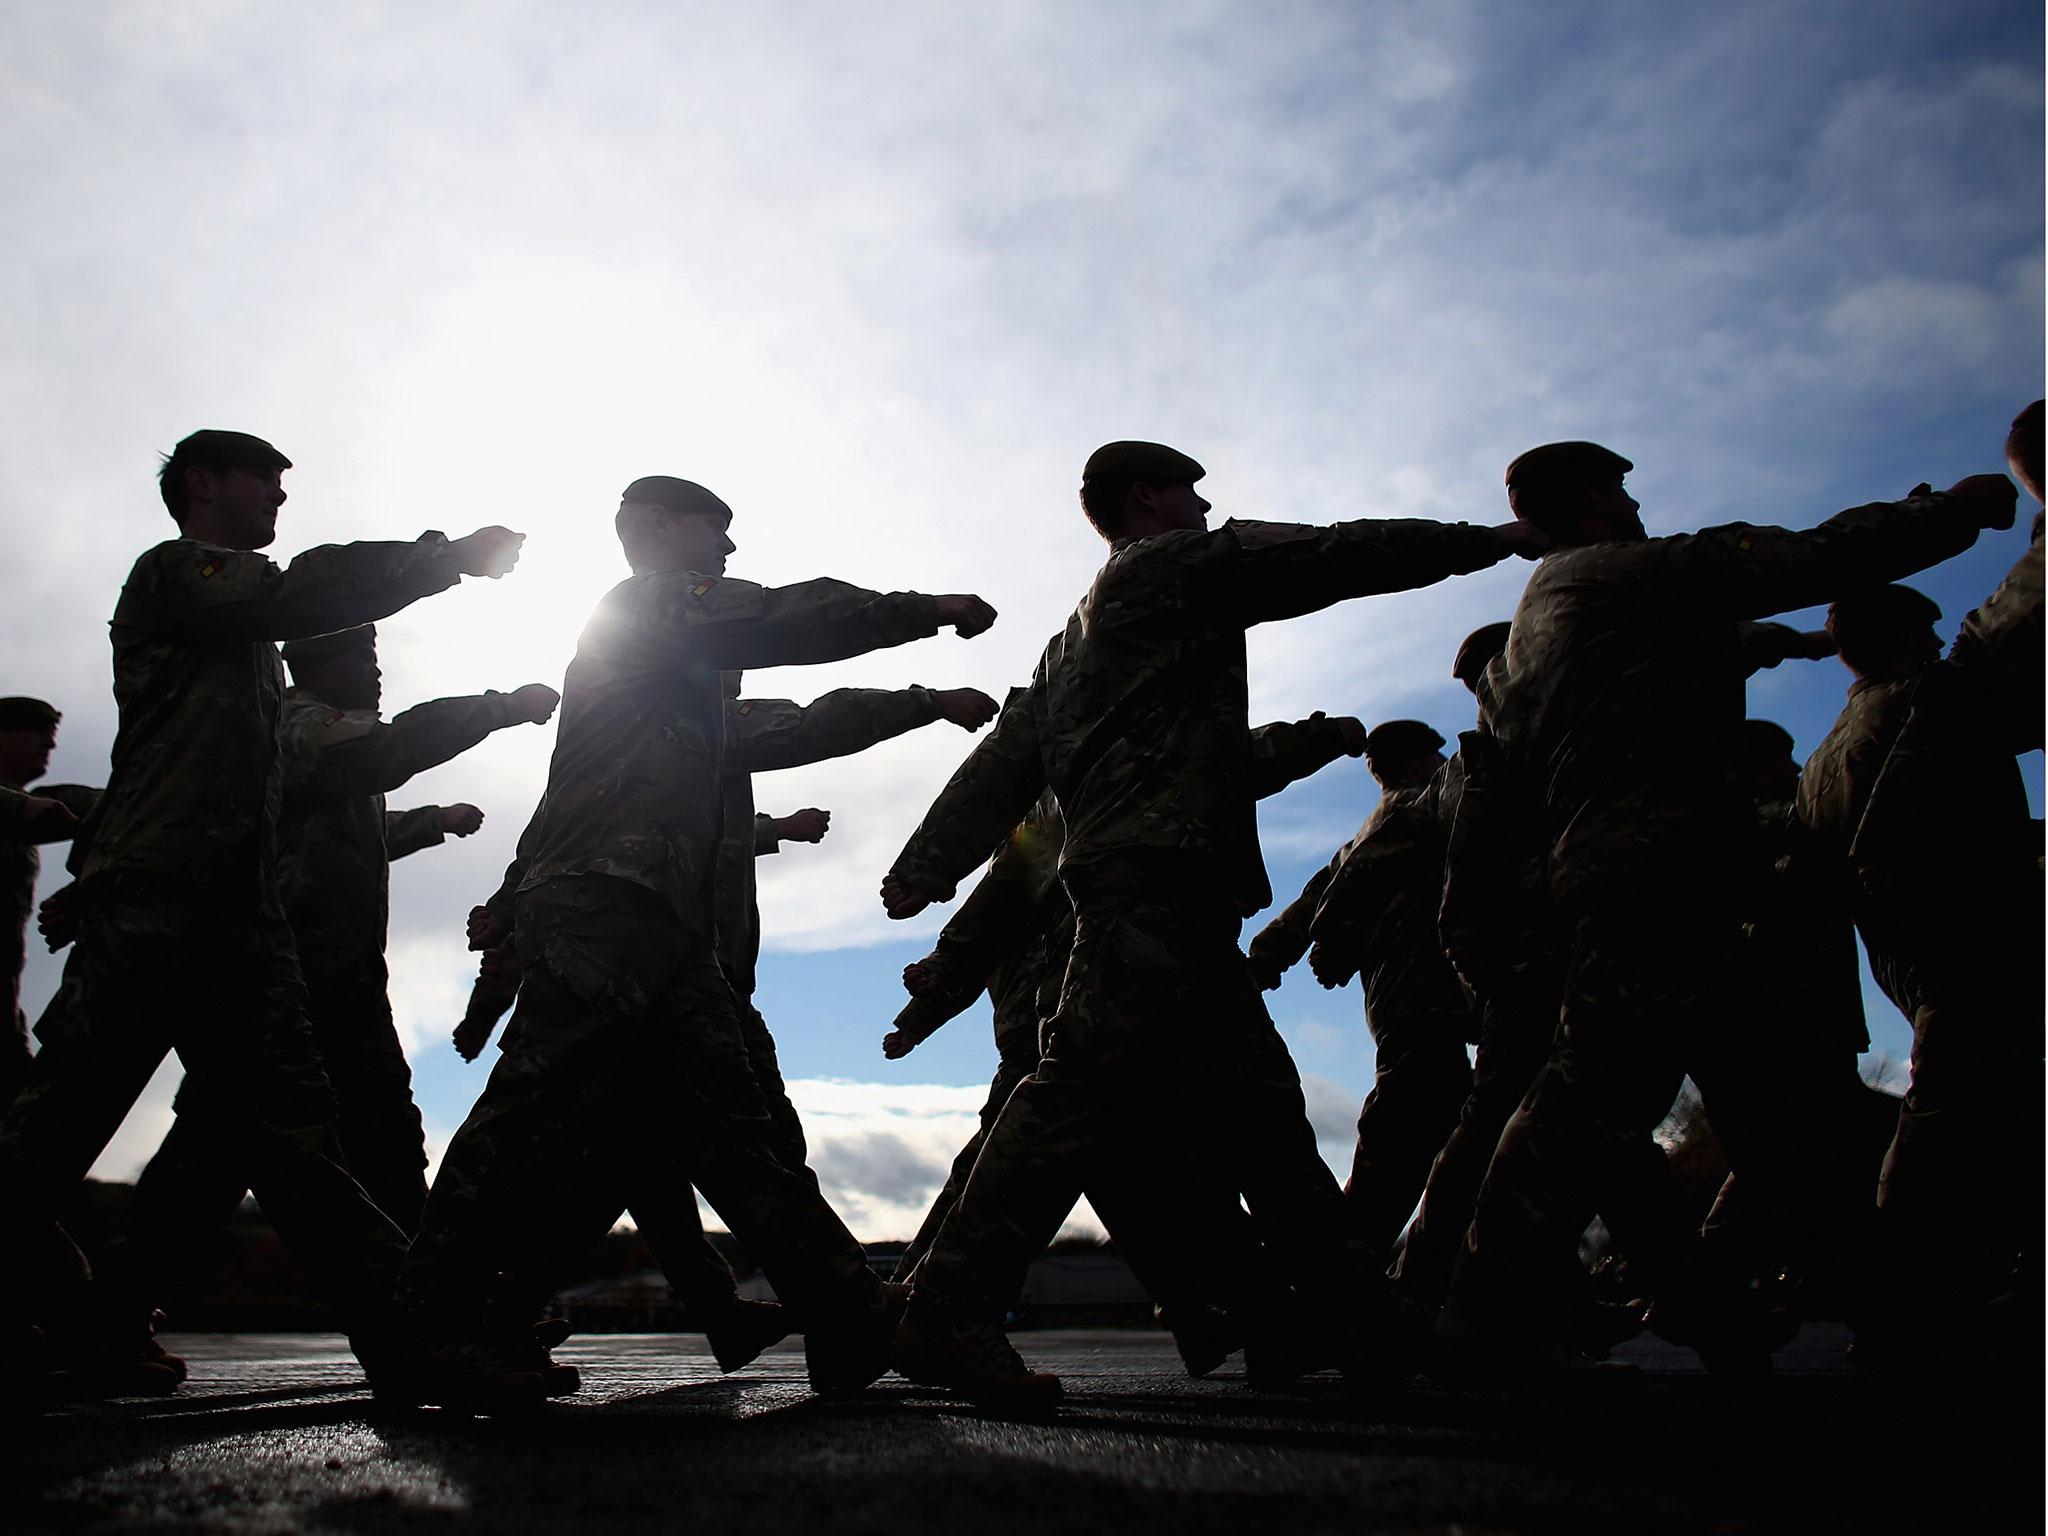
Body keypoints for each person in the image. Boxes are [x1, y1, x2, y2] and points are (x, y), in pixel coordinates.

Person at [880, 439, 1545, 1408]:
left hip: (1173, 892)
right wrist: (1487, 539)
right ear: (1145, 498)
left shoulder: (1070, 644)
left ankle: (1349, 1310)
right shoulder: (1160, 573)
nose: (1203, 505)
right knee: (1074, 1094)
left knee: (1264, 1118)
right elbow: (1320, 557)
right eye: (1188, 490)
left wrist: (926, 865)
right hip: (1148, 884)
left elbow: (1008, 764)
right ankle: (945, 1306)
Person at [393, 473, 997, 1412]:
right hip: (604, 906)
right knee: (526, 1123)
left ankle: (865, 1323)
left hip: (663, 923)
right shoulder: (647, 609)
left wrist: (915, 701)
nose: (726, 551)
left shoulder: (684, 690)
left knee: (738, 1132)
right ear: (655, 527)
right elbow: (778, 618)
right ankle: (431, 1330)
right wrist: (924, 610)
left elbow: (790, 723)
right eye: (715, 531)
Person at [1436, 439, 2014, 1375]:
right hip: (1654, 869)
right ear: (1589, 500)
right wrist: (1947, 511)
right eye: (1618, 488)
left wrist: (1820, 643)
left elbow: (1733, 633)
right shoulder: (1605, 577)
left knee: (1780, 1106)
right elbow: (1781, 559)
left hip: (1666, 869)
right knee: (1596, 1089)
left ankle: (1870, 1307)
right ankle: (1485, 1302)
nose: (1633, 502)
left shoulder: (1558, 615)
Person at [0, 428, 527, 1392]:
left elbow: (221, 776)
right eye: (264, 484)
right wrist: (444, 559)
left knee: (295, 1136)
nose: (279, 500)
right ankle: (100, 1323)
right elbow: (294, 597)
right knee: (53, 1132)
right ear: (203, 484)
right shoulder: (180, 577)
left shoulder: (251, 662)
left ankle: (413, 1346)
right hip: (161, 898)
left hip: (240, 917)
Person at [887, 711, 1368, 1380]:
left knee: (1150, 1171)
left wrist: (930, 996)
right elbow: (1226, 759)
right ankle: (920, 1307)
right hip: (1105, 1000)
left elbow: (985, 922)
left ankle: (1241, 1316)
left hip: (1073, 1013)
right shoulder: (1075, 793)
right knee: (1199, 1154)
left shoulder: (1042, 816)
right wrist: (1321, 736)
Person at [1798, 580, 2040, 1363]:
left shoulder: (1829, 748)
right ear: (1905, 640)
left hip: (1902, 936)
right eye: (1925, 633)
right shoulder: (1924, 700)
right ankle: (1910, 1296)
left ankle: (1936, 1288)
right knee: (1955, 1103)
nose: (1937, 644)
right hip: (1969, 922)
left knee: (1983, 1096)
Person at [1250, 720, 1478, 1265]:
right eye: (1431, 757)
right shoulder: (1421, 810)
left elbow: (1310, 901)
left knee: (1444, 1134)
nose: (1437, 765)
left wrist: (1266, 957)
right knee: (1404, 1144)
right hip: (1423, 997)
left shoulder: (1362, 832)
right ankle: (1329, 1283)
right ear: (1415, 762)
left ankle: (1362, 1279)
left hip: (1403, 1001)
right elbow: (1330, 900)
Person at [0, 698, 96, 1106]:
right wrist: (18, 806)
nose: (49, 744)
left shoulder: (37, 806)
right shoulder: (20, 808)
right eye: (35, 731)